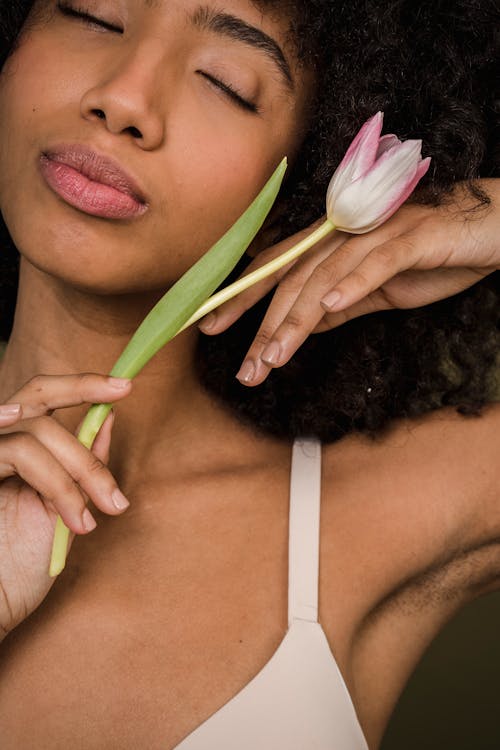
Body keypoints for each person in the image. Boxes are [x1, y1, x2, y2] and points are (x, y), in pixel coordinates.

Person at [0, 1, 498, 748]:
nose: (124, 97)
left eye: (225, 81)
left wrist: (486, 217)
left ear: (318, 158)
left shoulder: (382, 509)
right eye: (94, 14)